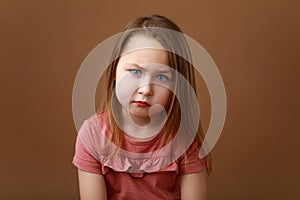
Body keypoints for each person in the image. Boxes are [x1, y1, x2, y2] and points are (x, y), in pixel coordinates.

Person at [73, 14, 211, 200]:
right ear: (114, 70)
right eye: (135, 72)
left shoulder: (184, 139)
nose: (146, 89)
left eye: (161, 77)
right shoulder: (92, 134)